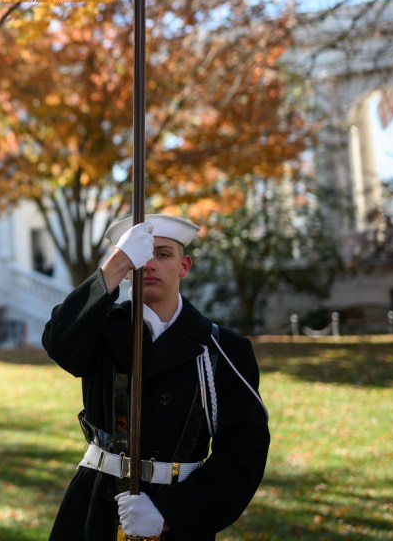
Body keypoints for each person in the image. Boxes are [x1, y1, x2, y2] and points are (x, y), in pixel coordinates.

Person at [41, 214, 270, 541]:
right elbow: (57, 342)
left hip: (178, 514)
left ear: (184, 266)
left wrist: (170, 513)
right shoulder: (98, 332)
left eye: (162, 254)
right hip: (95, 509)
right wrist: (116, 265)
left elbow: (243, 452)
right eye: (141, 254)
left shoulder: (221, 349)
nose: (148, 264)